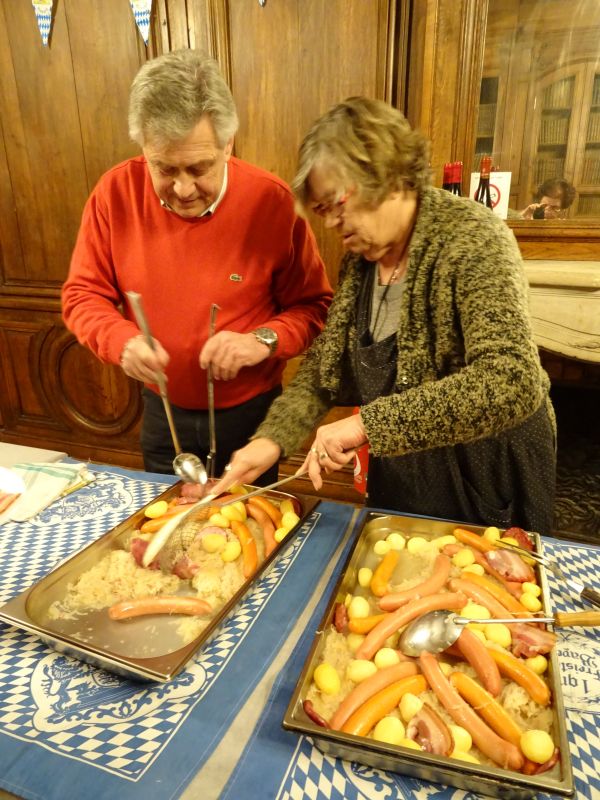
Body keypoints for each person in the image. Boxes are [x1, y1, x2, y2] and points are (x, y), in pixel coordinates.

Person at [213, 96, 557, 535]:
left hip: (485, 477)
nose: (332, 223)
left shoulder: (474, 237)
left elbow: (512, 380)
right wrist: (270, 441)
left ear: (389, 175)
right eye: (322, 211)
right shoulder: (361, 262)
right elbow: (324, 371)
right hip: (407, 469)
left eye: (337, 203)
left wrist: (365, 424)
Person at [62, 49, 332, 483]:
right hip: (161, 411)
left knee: (244, 532)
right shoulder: (114, 193)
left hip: (251, 416)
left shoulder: (274, 202)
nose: (183, 189)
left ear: (228, 144)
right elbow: (81, 295)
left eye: (199, 167)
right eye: (164, 168)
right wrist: (120, 340)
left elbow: (316, 309)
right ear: (143, 147)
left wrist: (262, 340)